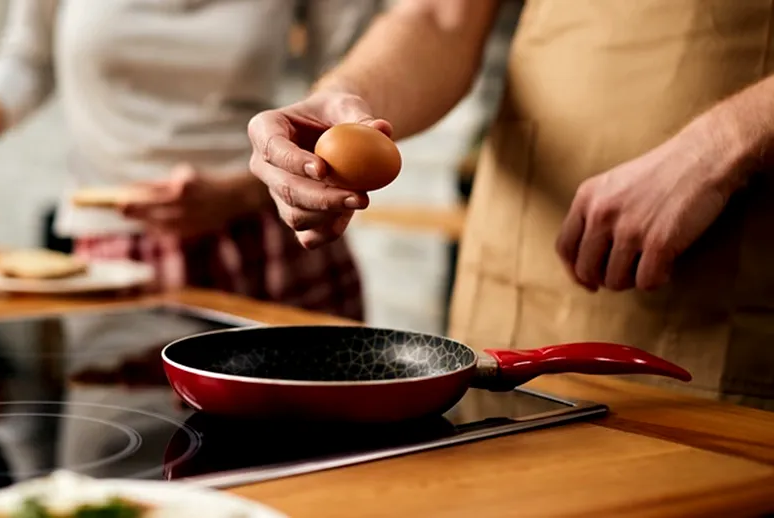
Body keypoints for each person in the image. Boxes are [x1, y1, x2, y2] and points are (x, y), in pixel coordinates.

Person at [246, 0, 774, 410]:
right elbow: (440, 19)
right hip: (523, 254)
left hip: (734, 274)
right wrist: (342, 102)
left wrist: (722, 144)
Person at [0, 0, 377, 321]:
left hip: (273, 236)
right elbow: (28, 58)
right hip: (116, 253)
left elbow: (346, 79)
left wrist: (242, 189)